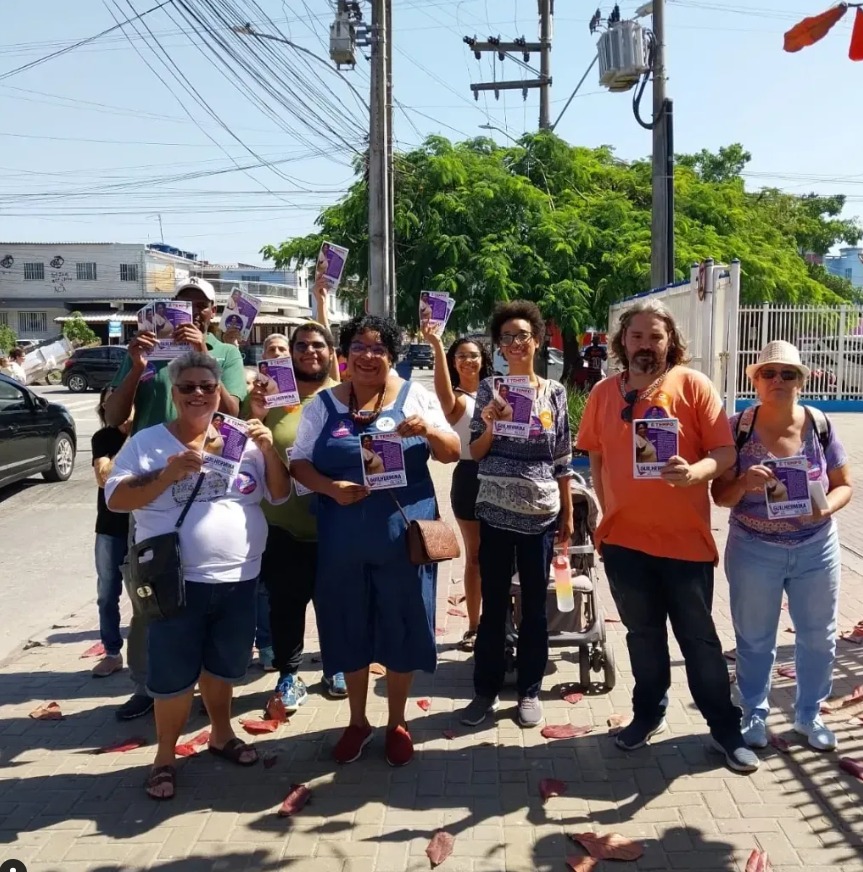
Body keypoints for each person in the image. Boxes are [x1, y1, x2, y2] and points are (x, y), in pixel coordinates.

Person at [576, 298, 759, 774]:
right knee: (643, 637)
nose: (646, 345)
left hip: (684, 543)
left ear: (670, 342)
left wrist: (695, 472)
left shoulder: (693, 386)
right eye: (636, 336)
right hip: (624, 544)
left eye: (656, 337)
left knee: (699, 641)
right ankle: (647, 715)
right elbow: (594, 456)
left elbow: (723, 453)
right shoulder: (603, 393)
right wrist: (607, 507)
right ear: (622, 341)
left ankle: (724, 730)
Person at [105, 351, 291, 801]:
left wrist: (267, 448)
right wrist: (168, 473)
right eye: (187, 387)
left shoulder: (241, 438)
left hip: (239, 578)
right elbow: (116, 500)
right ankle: (164, 756)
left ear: (217, 392)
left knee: (224, 665)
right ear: (174, 393)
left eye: (207, 387)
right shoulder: (148, 442)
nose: (198, 395)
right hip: (176, 582)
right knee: (172, 677)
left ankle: (220, 734)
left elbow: (281, 495)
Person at [290, 314, 459, 766]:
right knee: (348, 626)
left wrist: (428, 429)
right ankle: (358, 720)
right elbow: (299, 463)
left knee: (402, 625)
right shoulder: (323, 406)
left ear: (392, 356)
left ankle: (397, 721)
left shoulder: (413, 397)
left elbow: (452, 451)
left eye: (379, 348)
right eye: (359, 348)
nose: (368, 356)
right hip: (342, 540)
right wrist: (330, 488)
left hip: (402, 539)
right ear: (344, 356)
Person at [104, 277, 247, 721]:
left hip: (210, 481)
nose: (191, 311)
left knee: (209, 593)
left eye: (200, 305)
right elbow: (113, 417)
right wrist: (134, 366)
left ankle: (205, 686)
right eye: (182, 304)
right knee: (151, 588)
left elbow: (234, 412)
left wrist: (203, 356)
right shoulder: (146, 350)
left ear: (211, 311)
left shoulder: (225, 353)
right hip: (154, 483)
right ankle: (148, 684)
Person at [712, 340, 853, 752]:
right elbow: (719, 496)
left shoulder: (819, 423)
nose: (778, 380)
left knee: (819, 637)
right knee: (754, 639)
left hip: (815, 548)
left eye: (787, 374)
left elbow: (844, 486)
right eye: (768, 373)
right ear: (754, 379)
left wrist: (824, 512)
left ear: (801, 381)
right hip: (754, 548)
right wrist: (742, 483)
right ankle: (753, 714)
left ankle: (809, 715)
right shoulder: (737, 426)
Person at [460, 301, 574, 729]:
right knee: (493, 608)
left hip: (540, 514)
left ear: (537, 341)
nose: (515, 344)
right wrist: (489, 422)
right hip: (494, 511)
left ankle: (529, 690)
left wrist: (564, 509)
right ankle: (484, 691)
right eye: (506, 338)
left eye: (522, 336)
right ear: (499, 346)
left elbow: (561, 455)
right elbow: (475, 451)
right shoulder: (490, 389)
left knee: (535, 609)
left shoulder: (555, 392)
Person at [243, 326, 344, 704]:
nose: (309, 352)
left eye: (318, 345)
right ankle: (288, 675)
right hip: (282, 524)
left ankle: (336, 665)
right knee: (285, 605)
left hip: (336, 522)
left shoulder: (343, 396)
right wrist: (256, 411)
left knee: (335, 601)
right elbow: (242, 447)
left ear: (331, 352)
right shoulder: (269, 396)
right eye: (301, 345)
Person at [422, 326, 494, 651]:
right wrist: (437, 344)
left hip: (503, 476)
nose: (467, 361)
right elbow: (442, 394)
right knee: (477, 556)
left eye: (473, 355)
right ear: (453, 362)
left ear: (483, 359)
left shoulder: (497, 392)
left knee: (505, 556)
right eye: (460, 356)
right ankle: (475, 625)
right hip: (469, 478)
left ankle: (504, 620)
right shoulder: (455, 399)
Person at [90, 387, 132, 678]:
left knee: (147, 597)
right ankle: (112, 652)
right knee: (107, 593)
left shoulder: (154, 434)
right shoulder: (103, 439)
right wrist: (131, 439)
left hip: (145, 528)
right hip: (110, 528)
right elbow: (105, 479)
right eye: (110, 404)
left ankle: (148, 656)